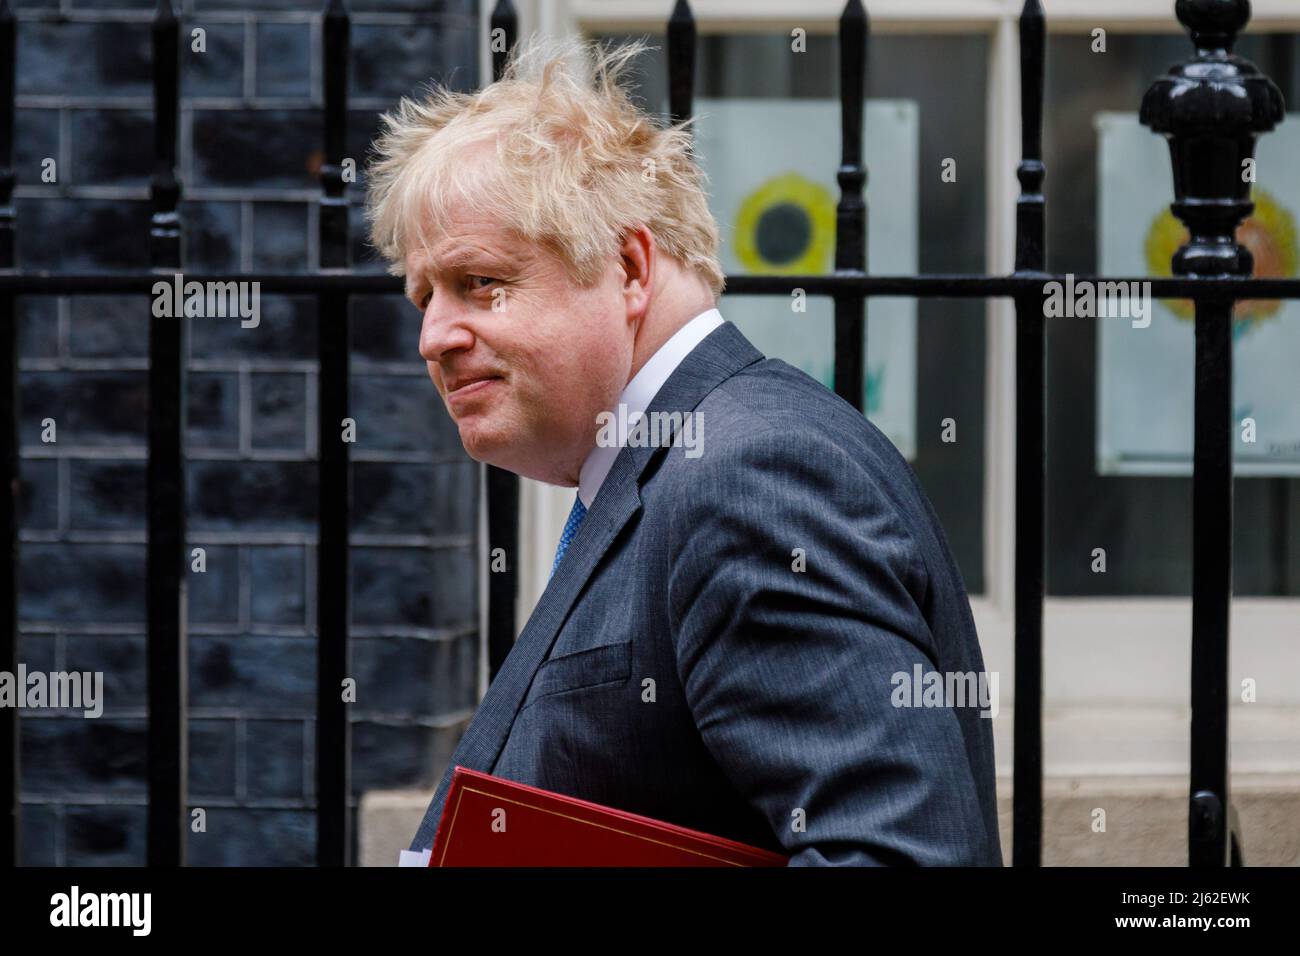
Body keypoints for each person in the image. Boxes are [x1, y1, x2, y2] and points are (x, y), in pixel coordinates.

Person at [365, 36, 1002, 866]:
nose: (433, 337)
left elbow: (900, 857)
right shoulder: (670, 465)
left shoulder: (749, 477)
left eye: (480, 281)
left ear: (628, 266)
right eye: (424, 296)